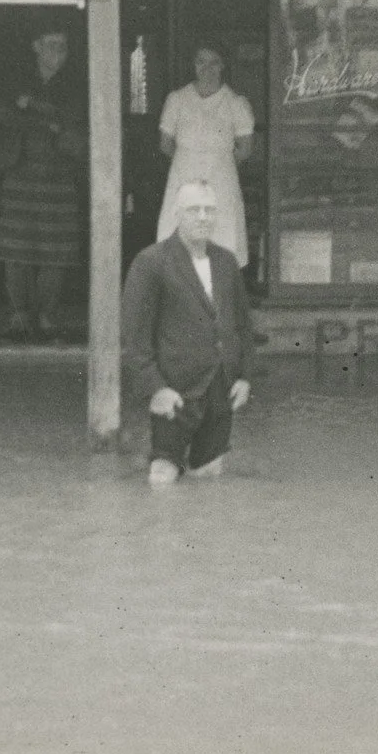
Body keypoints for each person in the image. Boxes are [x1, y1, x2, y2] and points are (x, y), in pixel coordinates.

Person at [122, 180, 255, 486]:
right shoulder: (151, 262)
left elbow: (243, 325)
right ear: (176, 214)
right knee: (162, 477)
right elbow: (134, 335)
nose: (203, 217)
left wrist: (245, 377)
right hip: (175, 391)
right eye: (194, 210)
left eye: (210, 210)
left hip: (222, 390)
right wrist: (155, 388)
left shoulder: (226, 261)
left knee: (209, 477)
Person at [0, 28, 88, 342]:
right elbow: (3, 114)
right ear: (36, 46)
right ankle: (19, 315)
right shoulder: (16, 79)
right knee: (15, 250)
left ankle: (46, 314)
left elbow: (73, 117)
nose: (58, 53)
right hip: (19, 170)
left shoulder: (74, 84)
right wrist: (48, 121)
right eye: (51, 46)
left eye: (63, 47)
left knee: (55, 252)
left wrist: (31, 106)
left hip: (58, 174)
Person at [155, 45, 255, 268]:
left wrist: (218, 163)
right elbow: (165, 144)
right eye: (201, 62)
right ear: (193, 65)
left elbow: (246, 148)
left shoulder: (235, 103)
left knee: (221, 236)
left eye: (213, 63)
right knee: (181, 239)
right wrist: (189, 162)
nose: (207, 69)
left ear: (222, 66)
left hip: (221, 180)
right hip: (183, 177)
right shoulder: (177, 100)